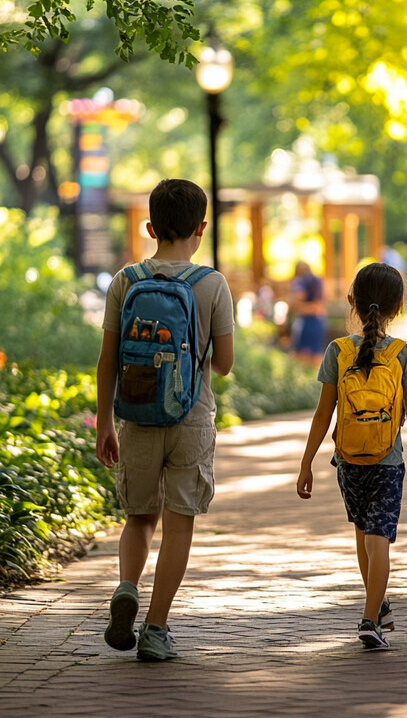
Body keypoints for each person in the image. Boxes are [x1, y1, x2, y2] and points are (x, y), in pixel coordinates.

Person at [96, 178, 235, 662]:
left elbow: (107, 361)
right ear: (201, 229)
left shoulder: (125, 281)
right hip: (191, 419)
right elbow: (224, 364)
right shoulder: (212, 284)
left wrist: (103, 425)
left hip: (135, 417)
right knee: (180, 523)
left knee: (139, 517)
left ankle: (127, 586)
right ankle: (156, 628)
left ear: (151, 227)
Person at [296, 262, 407, 650]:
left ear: (351, 302)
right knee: (379, 541)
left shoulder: (337, 350)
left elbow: (323, 414)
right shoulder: (402, 354)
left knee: (364, 537)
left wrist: (306, 463)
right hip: (387, 462)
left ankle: (378, 607)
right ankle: (370, 619)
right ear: (400, 306)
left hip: (347, 461)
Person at [289, 261, 327, 367]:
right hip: (318, 321)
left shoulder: (300, 281)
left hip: (307, 322)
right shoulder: (317, 280)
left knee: (299, 356)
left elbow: (299, 296)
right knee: (316, 354)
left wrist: (295, 306)